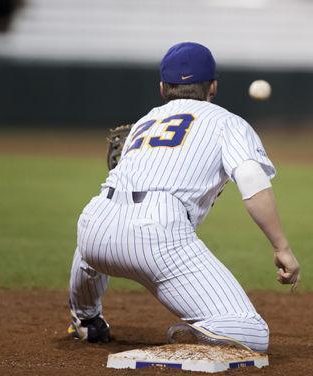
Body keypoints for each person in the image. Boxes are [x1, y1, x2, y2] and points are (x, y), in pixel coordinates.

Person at [66, 42, 300, 352]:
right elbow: (252, 182)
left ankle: (87, 320)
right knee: (252, 333)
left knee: (97, 225)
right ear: (213, 86)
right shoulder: (227, 122)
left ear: (163, 87)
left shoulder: (144, 122)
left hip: (95, 223)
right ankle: (203, 330)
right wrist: (281, 246)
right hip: (156, 233)